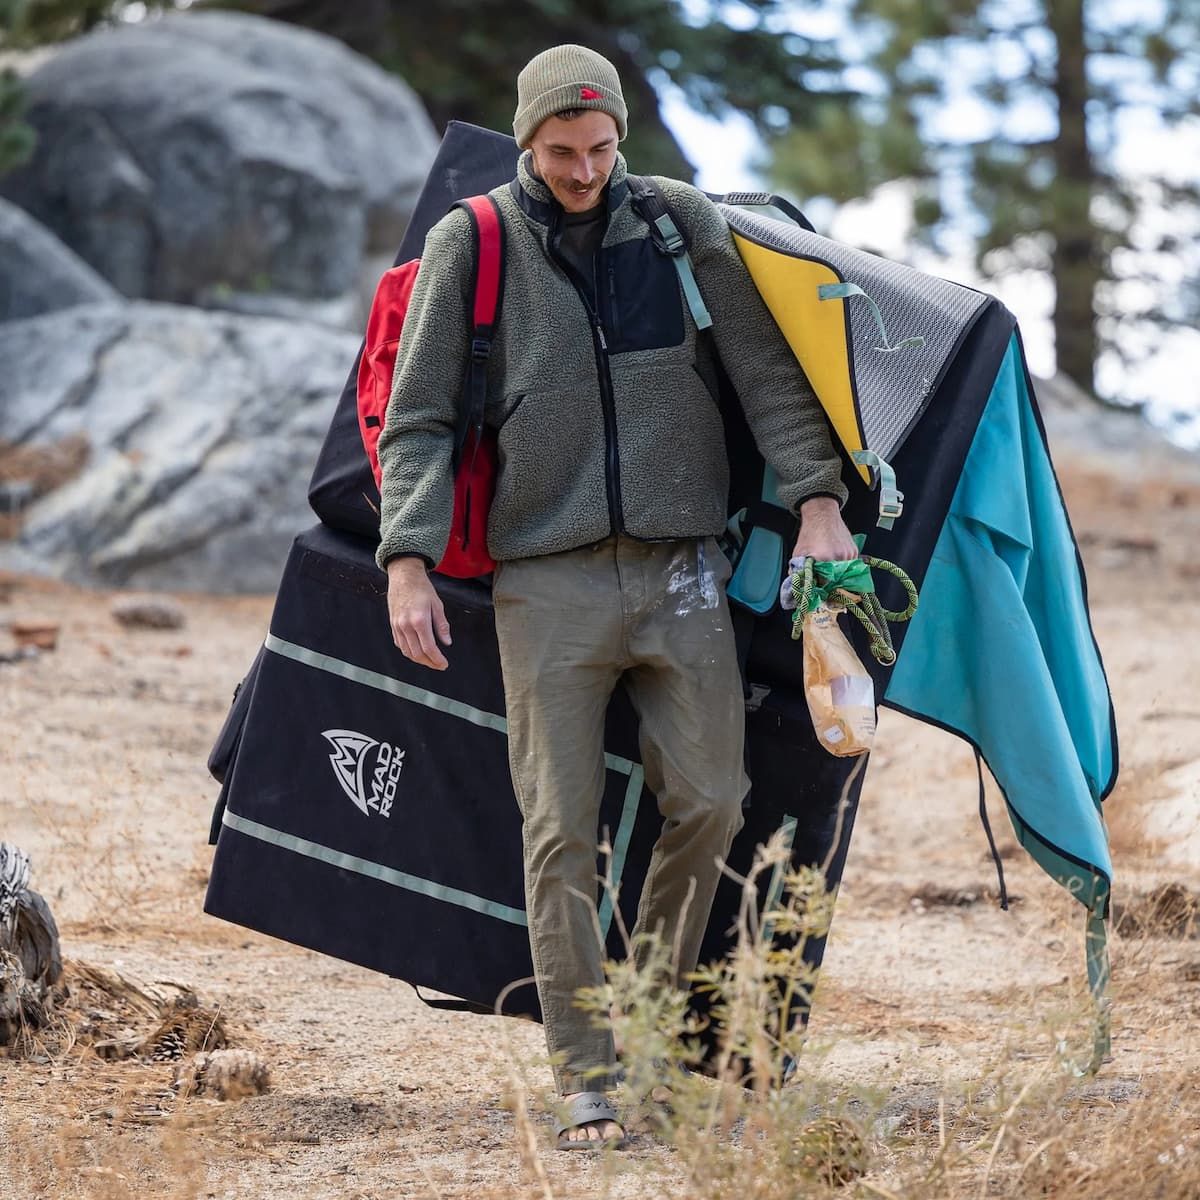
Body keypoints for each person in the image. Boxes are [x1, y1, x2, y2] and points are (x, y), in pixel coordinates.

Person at [377, 44, 857, 1149]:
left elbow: (766, 371)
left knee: (715, 802)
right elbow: (420, 416)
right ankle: (588, 1076)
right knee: (560, 832)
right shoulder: (474, 241)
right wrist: (407, 558)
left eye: (600, 149)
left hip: (683, 569)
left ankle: (646, 1031)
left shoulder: (678, 223)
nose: (585, 170)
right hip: (545, 580)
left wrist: (820, 499)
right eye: (562, 151)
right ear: (527, 140)